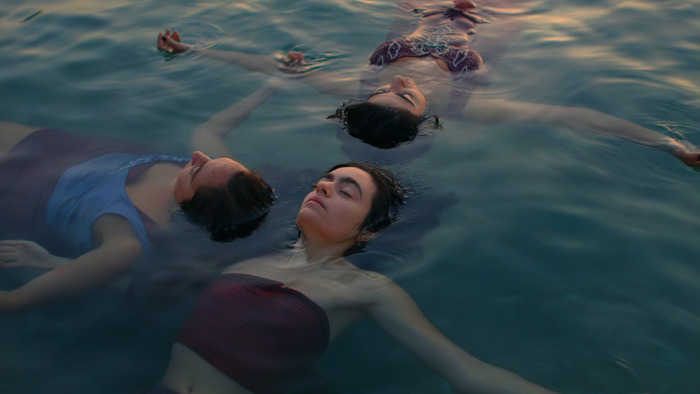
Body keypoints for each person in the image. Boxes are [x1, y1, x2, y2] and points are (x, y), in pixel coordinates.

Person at [147, 162, 556, 394]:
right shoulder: (244, 255)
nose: (325, 187)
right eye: (324, 182)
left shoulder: (365, 289)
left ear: (368, 231)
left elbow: (465, 371)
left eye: (346, 192)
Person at [156, 0, 700, 163]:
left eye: (386, 90)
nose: (399, 86)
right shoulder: (468, 107)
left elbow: (265, 64)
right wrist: (665, 142)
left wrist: (191, 48)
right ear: (426, 118)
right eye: (407, 97)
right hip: (494, 15)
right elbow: (574, 117)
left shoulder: (354, 89)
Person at [0, 80, 281, 313]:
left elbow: (16, 301)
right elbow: (209, 129)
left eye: (197, 169)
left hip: (24, 189)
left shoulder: (127, 242)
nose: (197, 155)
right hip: (70, 149)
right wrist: (272, 85)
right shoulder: (220, 181)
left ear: (191, 204)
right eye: (212, 159)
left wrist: (49, 261)